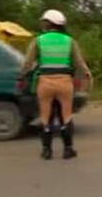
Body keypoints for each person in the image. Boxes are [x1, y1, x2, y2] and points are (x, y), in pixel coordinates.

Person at [21, 10, 92, 160]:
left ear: (48, 23)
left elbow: (28, 63)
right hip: (64, 82)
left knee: (45, 117)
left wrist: (22, 75)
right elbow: (79, 63)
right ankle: (68, 149)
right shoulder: (70, 41)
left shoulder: (38, 40)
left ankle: (46, 151)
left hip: (45, 82)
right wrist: (86, 76)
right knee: (66, 116)